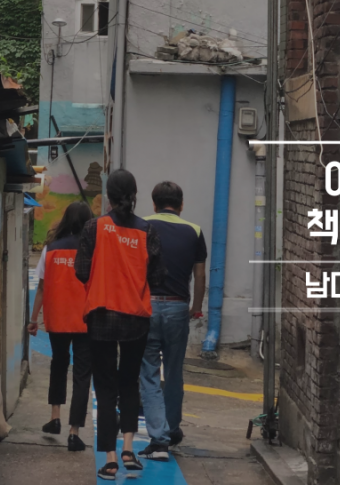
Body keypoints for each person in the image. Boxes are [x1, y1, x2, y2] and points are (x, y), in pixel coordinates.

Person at [75, 169, 165, 480]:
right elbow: (157, 277)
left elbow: (81, 271)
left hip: (101, 315)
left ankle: (110, 458)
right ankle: (128, 449)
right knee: (129, 382)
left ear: (108, 197)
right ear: (135, 195)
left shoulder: (94, 227)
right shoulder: (148, 231)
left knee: (104, 387)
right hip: (135, 318)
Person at [137, 181, 207, 462]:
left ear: (154, 204)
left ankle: (158, 439)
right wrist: (196, 308)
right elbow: (199, 275)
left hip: (148, 306)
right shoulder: (195, 231)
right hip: (179, 308)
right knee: (175, 372)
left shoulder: (143, 227)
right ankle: (172, 428)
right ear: (181, 205)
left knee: (149, 372)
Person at [27, 201, 94, 452]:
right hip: (85, 320)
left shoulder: (51, 249)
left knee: (59, 364)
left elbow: (42, 288)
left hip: (57, 319)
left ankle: (55, 417)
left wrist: (34, 319)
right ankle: (74, 432)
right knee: (82, 374)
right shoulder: (93, 250)